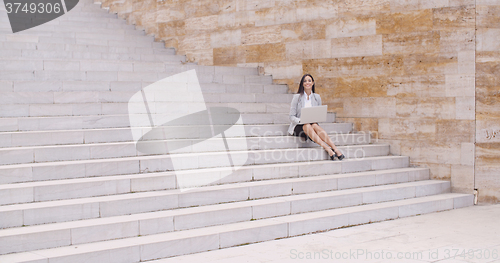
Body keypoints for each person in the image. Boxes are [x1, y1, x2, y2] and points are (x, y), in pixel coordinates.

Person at [288, 74, 345, 161]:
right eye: (305, 81)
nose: (307, 82)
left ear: (313, 83)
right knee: (307, 125)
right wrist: (301, 120)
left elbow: (318, 114)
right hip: (299, 126)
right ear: (302, 84)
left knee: (314, 125)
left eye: (309, 80)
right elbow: (291, 116)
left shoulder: (317, 97)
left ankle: (335, 149)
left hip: (312, 124)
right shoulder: (297, 97)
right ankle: (328, 149)